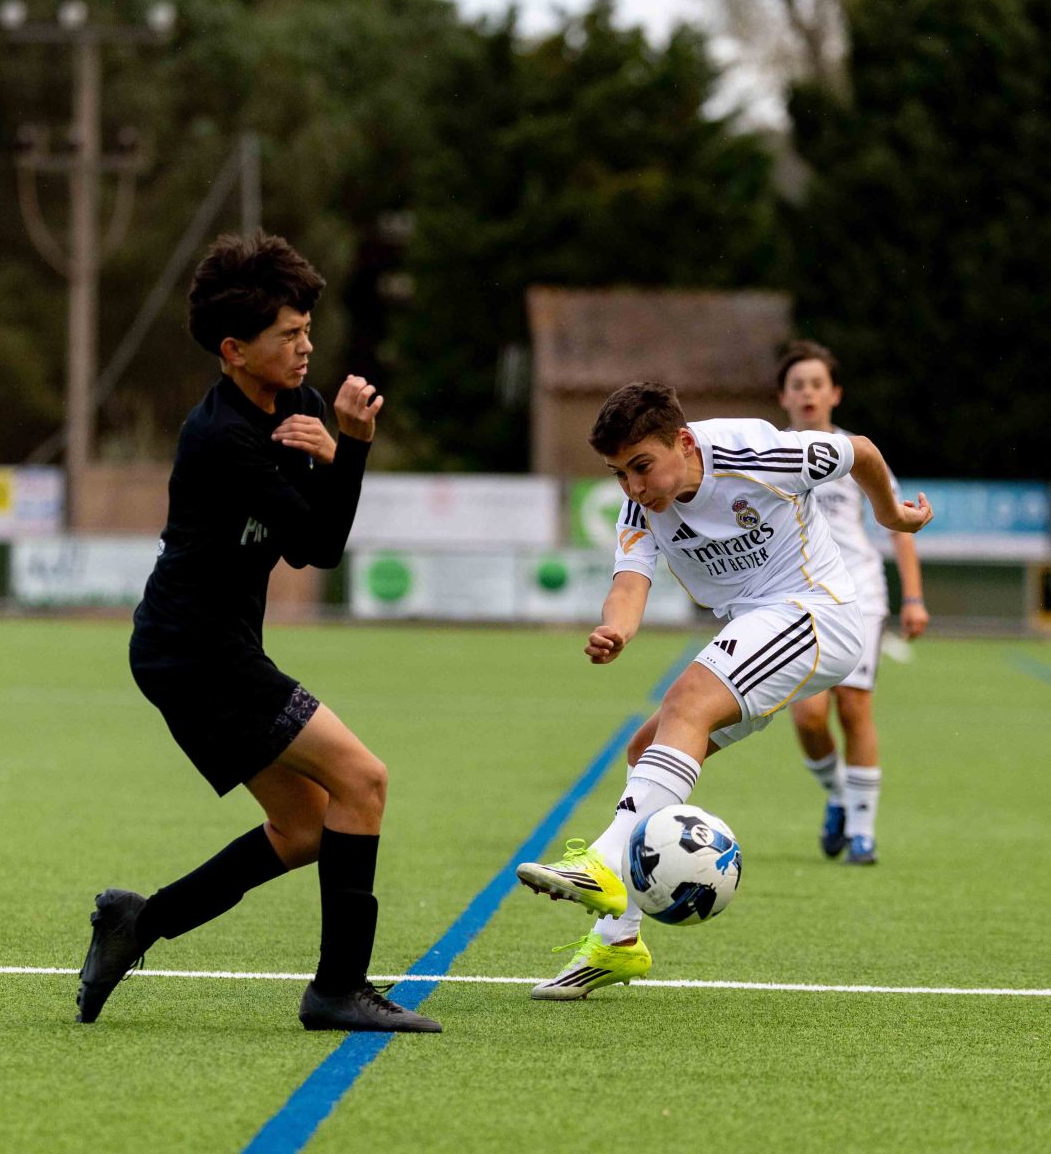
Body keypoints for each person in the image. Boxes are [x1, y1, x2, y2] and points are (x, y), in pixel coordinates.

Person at [76, 233, 439, 1034]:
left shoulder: (299, 408)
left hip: (208, 647)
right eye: (288, 335)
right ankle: (338, 989)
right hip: (193, 650)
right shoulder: (221, 437)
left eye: (308, 330)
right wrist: (351, 451)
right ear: (235, 351)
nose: (306, 347)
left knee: (305, 828)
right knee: (363, 780)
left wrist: (337, 453)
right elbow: (325, 545)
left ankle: (139, 923)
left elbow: (308, 547)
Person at [515, 381, 931, 999]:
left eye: (641, 467)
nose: (632, 487)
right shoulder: (642, 505)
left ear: (684, 443)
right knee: (646, 750)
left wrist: (890, 514)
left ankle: (603, 858)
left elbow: (862, 451)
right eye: (619, 474)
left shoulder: (756, 453)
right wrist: (617, 628)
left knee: (687, 699)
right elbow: (629, 581)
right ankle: (617, 941)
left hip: (819, 613)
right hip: (758, 625)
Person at [776, 341, 928, 865]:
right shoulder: (769, 453)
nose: (808, 393)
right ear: (784, 396)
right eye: (798, 385)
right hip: (799, 597)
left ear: (835, 393)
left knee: (854, 707)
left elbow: (899, 525)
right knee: (808, 718)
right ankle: (839, 794)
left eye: (817, 384)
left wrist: (914, 597)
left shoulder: (856, 452)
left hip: (859, 592)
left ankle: (863, 832)